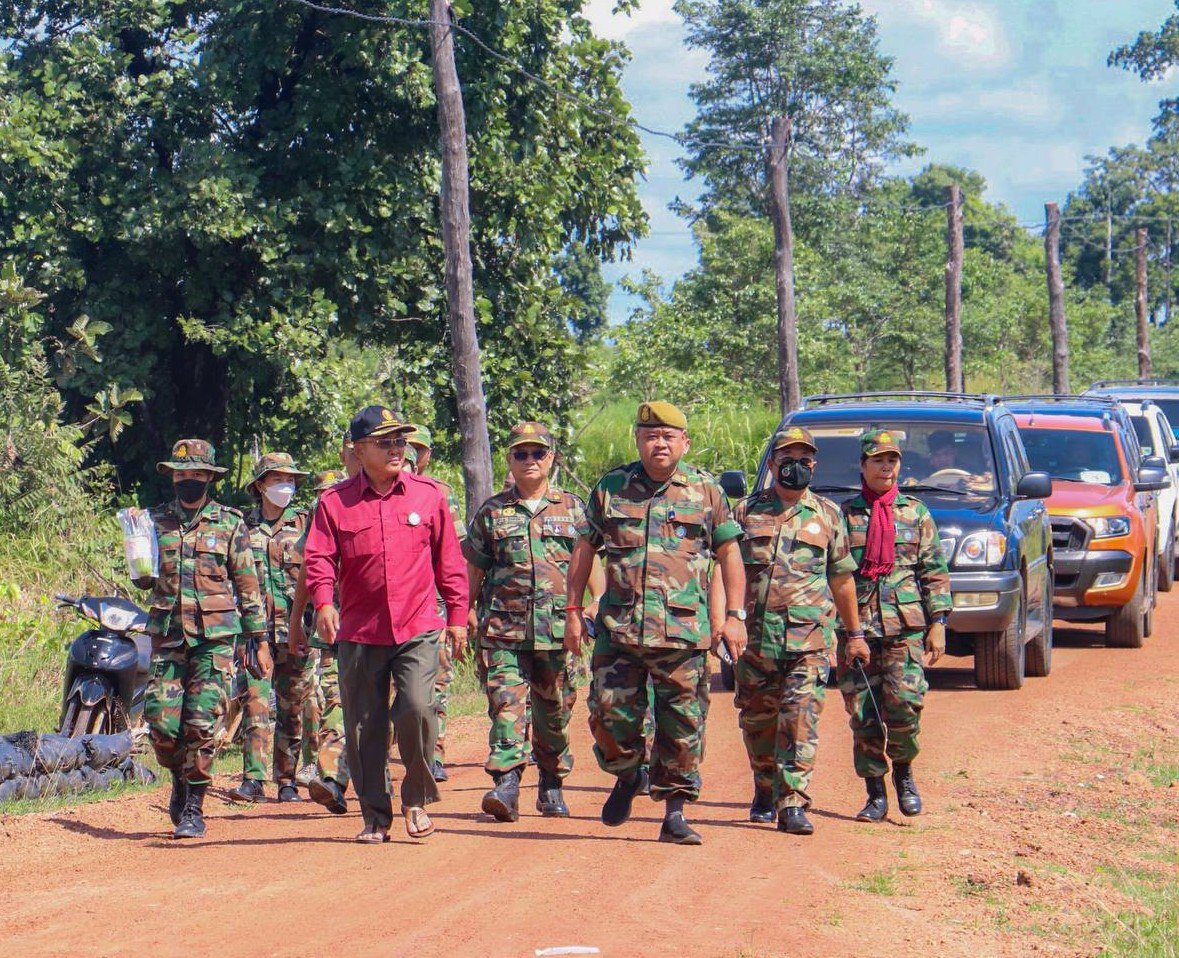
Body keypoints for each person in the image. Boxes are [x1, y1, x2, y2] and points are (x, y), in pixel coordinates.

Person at [565, 401, 747, 846]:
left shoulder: (707, 492)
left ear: (684, 442)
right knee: (608, 719)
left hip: (683, 634)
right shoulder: (611, 488)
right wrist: (573, 610)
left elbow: (729, 555)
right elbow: (585, 549)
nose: (659, 443)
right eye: (650, 436)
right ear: (637, 440)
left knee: (682, 726)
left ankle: (675, 812)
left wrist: (734, 617)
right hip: (620, 630)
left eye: (668, 436)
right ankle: (628, 775)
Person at [303, 406, 468, 843]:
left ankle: (415, 797)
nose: (397, 449)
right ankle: (376, 815)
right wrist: (323, 602)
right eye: (385, 442)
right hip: (360, 629)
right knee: (363, 727)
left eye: (401, 441)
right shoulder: (334, 503)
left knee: (416, 707)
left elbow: (449, 562)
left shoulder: (429, 495)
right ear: (358, 450)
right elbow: (318, 559)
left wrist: (457, 618)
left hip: (417, 626)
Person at [731, 426, 863, 835]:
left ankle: (793, 802)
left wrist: (854, 635)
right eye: (788, 459)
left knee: (800, 718)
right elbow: (725, 571)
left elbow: (842, 579)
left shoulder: (827, 514)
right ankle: (765, 787)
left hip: (809, 640)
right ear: (771, 464)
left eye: (804, 460)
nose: (796, 466)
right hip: (754, 639)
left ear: (814, 465)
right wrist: (723, 621)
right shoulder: (744, 513)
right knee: (758, 721)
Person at [464, 421, 598, 821]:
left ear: (550, 459)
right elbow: (474, 571)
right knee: (506, 707)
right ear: (509, 459)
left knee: (554, 713)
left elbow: (592, 569)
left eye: (537, 453)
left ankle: (551, 783)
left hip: (558, 633)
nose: (529, 461)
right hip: (504, 631)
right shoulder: (492, 512)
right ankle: (506, 785)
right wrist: (465, 612)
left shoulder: (574, 508)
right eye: (520, 454)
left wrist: (592, 608)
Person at [138, 438, 267, 839]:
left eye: (196, 474)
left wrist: (258, 639)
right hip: (168, 636)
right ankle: (178, 775)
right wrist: (139, 564)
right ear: (172, 477)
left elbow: (248, 587)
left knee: (202, 723)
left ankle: (194, 805)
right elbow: (142, 574)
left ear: (209, 478)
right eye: (181, 474)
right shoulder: (154, 523)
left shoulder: (229, 524)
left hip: (215, 638)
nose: (187, 480)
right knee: (161, 725)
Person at [838, 429, 952, 822]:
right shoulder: (845, 515)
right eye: (878, 460)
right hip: (857, 632)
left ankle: (904, 773)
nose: (886, 467)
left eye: (892, 460)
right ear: (863, 466)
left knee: (904, 708)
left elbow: (933, 571)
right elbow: (832, 577)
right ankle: (875, 793)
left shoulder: (915, 513)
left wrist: (938, 622)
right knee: (863, 714)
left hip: (905, 629)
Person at [228, 452, 313, 804]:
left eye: (290, 480)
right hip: (256, 632)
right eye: (278, 479)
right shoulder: (242, 527)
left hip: (297, 630)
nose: (286, 486)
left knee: (292, 706)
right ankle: (253, 778)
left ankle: (287, 780)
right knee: (255, 703)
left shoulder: (307, 523)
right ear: (261, 485)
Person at [288, 454, 359, 816]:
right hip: (335, 628)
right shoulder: (330, 506)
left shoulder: (413, 498)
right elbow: (310, 565)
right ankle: (329, 776)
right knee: (331, 700)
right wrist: (299, 617)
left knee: (387, 712)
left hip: (391, 631)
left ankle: (372, 773)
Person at [406, 422, 463, 783]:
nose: (412, 453)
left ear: (427, 455)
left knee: (436, 684)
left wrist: (458, 608)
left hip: (434, 605)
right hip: (394, 607)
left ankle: (435, 752)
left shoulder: (440, 493)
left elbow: (455, 554)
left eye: (419, 448)